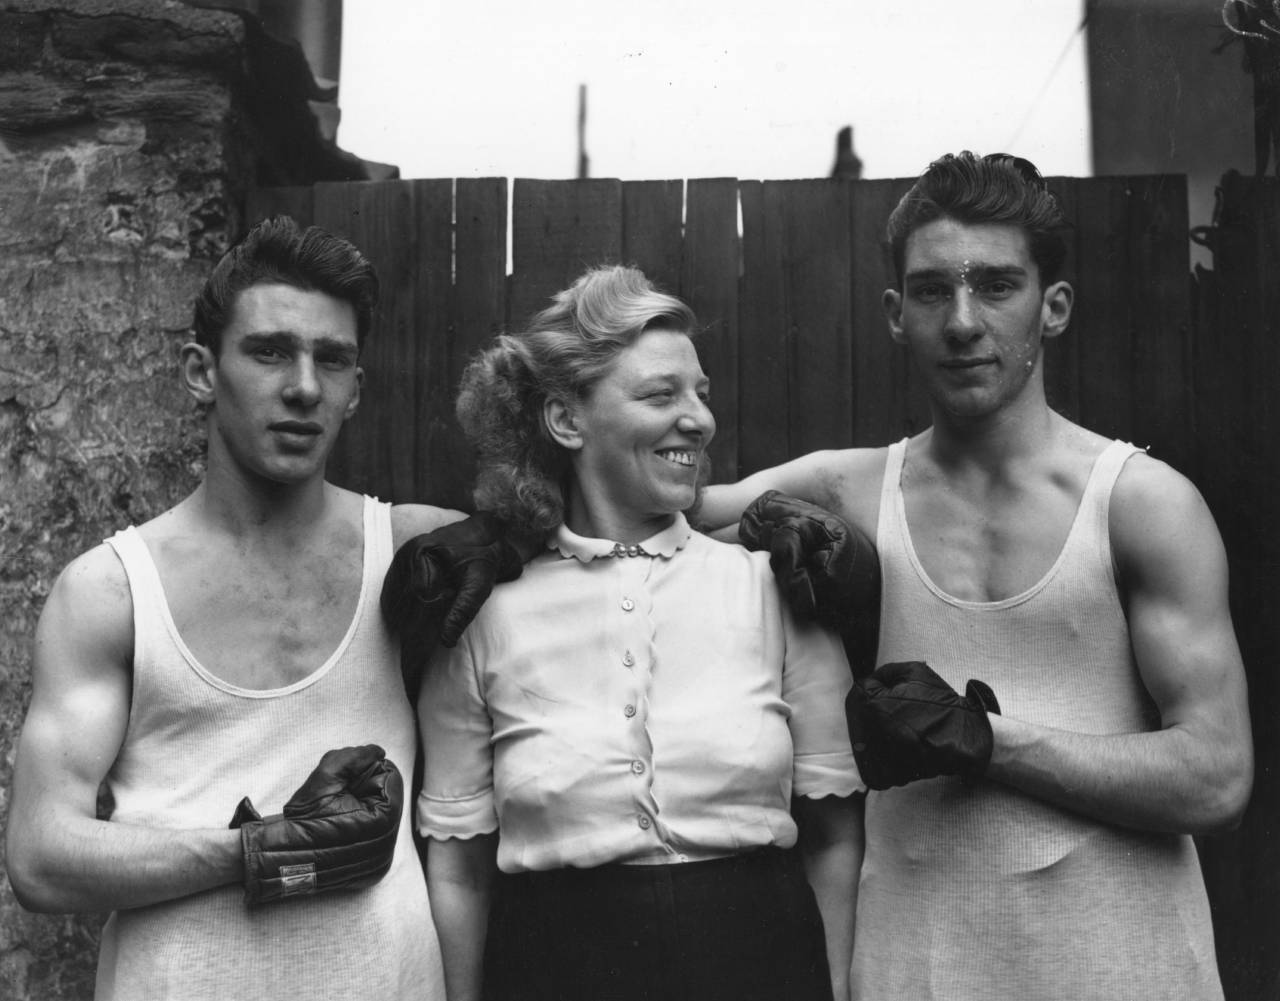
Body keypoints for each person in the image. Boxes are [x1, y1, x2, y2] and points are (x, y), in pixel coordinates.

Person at [697, 151, 1255, 1000]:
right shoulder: (849, 489)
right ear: (895, 314)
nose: (962, 321)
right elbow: (645, 506)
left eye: (995, 285)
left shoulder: (1140, 503)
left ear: (1053, 306)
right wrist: (480, 532)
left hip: (1126, 969)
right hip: (919, 967)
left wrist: (989, 739)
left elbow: (1216, 775)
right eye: (931, 291)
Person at [5, 217, 462, 999]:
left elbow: (627, 525)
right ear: (200, 371)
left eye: (334, 359)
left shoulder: (417, 551)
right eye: (271, 350)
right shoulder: (114, 590)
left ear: (357, 391)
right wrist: (257, 849)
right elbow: (40, 857)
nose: (304, 386)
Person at [413, 265, 864, 1001]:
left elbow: (836, 836)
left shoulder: (774, 587)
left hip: (761, 963)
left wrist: (834, 989)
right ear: (567, 420)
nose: (699, 418)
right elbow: (460, 873)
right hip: (555, 970)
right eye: (661, 394)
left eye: (701, 394)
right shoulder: (481, 610)